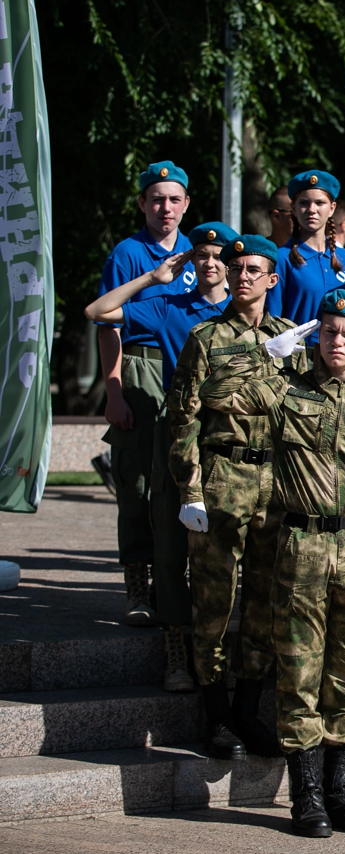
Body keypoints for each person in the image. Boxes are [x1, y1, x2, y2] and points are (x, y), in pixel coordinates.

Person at [200, 290, 345, 838]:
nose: (336, 342)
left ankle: (342, 792)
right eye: (327, 332)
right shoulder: (287, 390)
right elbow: (215, 397)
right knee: (298, 673)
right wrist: (265, 357)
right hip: (302, 547)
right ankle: (308, 796)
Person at [85, 221, 235, 694]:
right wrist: (153, 279)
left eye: (218, 256)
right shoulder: (170, 309)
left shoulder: (248, 314)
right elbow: (99, 310)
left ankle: (226, 650)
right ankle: (176, 648)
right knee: (170, 547)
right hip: (181, 443)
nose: (210, 263)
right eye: (201, 256)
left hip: (233, 449)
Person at [166, 234, 297, 759]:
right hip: (224, 473)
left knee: (266, 601)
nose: (241, 276)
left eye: (253, 270)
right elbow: (184, 419)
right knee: (215, 599)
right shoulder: (207, 336)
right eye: (235, 267)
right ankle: (215, 712)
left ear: (272, 279)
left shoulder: (292, 336)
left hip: (278, 481)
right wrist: (189, 488)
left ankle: (248, 708)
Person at [96, 160, 196, 631]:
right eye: (156, 199)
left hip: (183, 368)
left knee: (178, 478)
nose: (166, 208)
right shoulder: (128, 252)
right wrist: (114, 391)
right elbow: (106, 325)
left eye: (174, 199)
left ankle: (172, 578)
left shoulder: (199, 253)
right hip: (138, 366)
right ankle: (137, 581)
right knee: (136, 481)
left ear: (186, 204)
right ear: (142, 203)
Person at [270, 169, 345, 340]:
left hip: (342, 356)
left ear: (332, 208)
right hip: (298, 358)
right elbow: (273, 320)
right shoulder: (281, 259)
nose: (311, 210)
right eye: (304, 203)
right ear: (293, 209)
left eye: (319, 203)